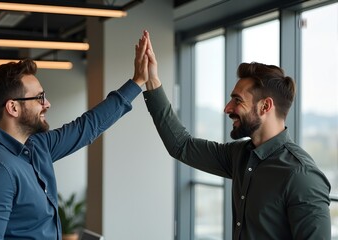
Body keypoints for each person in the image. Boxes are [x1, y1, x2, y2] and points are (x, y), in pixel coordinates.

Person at [141, 30, 331, 239]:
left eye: (237, 100)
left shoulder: (302, 176)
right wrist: (152, 80)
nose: (227, 108)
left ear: (265, 106)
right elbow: (182, 146)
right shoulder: (240, 154)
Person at [0, 35, 150, 239]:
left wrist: (137, 81)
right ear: (13, 107)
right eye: (40, 97)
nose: (47, 103)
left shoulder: (36, 145)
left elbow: (86, 127)